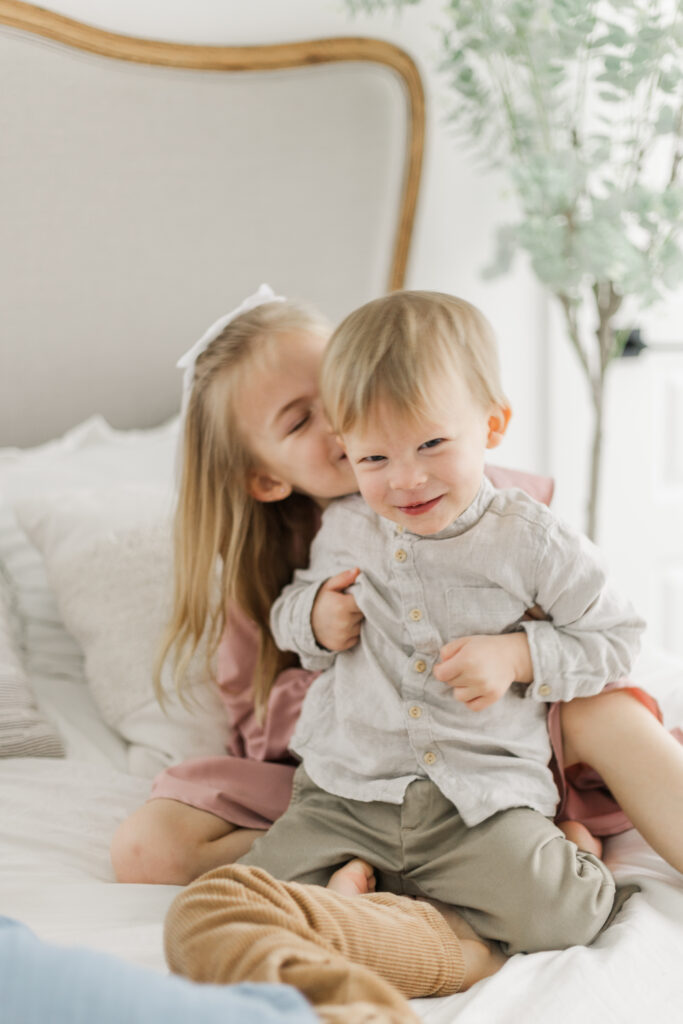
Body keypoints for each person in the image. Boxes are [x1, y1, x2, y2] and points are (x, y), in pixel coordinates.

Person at [110, 285, 683, 891]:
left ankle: (530, 834)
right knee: (148, 850)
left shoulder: (483, 503)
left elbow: (593, 633)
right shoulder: (276, 566)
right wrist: (325, 636)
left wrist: (514, 656)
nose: (340, 417)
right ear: (266, 479)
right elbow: (262, 724)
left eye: (341, 385)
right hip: (356, 767)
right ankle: (414, 855)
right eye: (304, 419)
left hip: (502, 734)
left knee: (610, 712)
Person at [235, 289, 646, 955]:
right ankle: (370, 896)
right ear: (347, 449)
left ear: (491, 426)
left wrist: (517, 658)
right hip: (347, 792)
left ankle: (557, 855)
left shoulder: (528, 539)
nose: (406, 479)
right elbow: (290, 615)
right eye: (373, 459)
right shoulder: (343, 528)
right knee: (244, 905)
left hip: (475, 802)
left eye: (431, 443)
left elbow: (616, 639)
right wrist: (312, 617)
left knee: (560, 921)